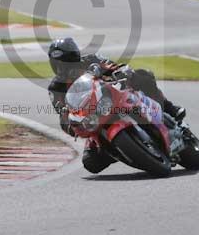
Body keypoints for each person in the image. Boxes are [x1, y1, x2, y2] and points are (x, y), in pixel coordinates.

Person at [47, 37, 186, 173]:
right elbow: (63, 115)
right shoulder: (55, 88)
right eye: (57, 64)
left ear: (74, 57)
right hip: (93, 119)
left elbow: (113, 66)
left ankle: (170, 108)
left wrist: (121, 72)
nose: (61, 68)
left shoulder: (91, 60)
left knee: (143, 76)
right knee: (90, 163)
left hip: (113, 97)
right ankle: (118, 150)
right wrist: (72, 126)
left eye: (64, 63)